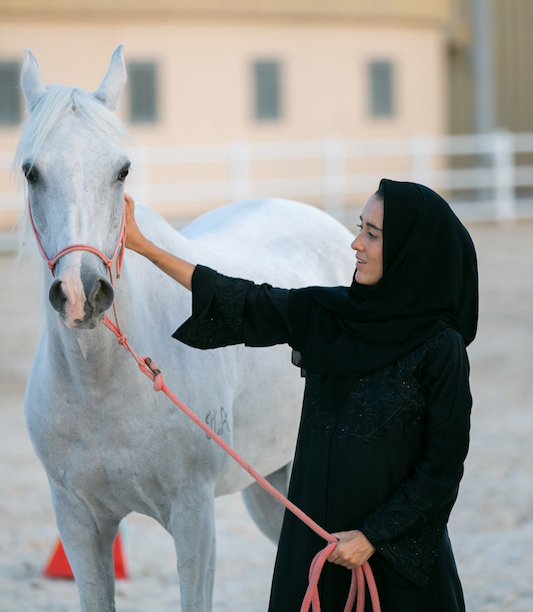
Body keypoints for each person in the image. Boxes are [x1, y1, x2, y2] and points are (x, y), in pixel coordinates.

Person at [123, 179, 478, 612]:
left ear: (410, 248)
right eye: (359, 227)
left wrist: (372, 537)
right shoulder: (329, 315)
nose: (355, 243)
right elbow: (242, 300)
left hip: (399, 562)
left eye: (372, 233)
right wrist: (145, 247)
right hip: (314, 553)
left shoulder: (442, 348)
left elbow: (440, 469)